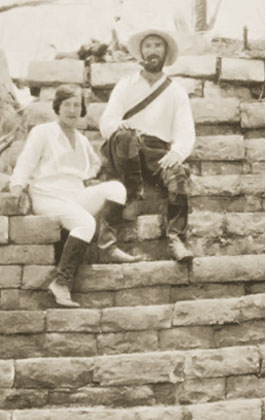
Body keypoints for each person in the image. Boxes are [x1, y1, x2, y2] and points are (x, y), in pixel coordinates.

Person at [10, 85, 140, 308]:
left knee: (117, 190)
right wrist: (17, 185)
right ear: (57, 107)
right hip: (47, 194)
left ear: (82, 109)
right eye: (67, 105)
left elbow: (95, 164)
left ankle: (107, 247)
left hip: (74, 194)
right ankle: (61, 282)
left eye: (76, 105)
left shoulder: (81, 139)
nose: (72, 110)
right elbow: (27, 161)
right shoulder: (43, 132)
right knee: (86, 223)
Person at [100, 29, 195, 263]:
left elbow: (185, 133)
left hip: (157, 152)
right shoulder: (126, 85)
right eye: (148, 46)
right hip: (126, 149)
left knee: (179, 175)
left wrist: (177, 152)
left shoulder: (176, 92)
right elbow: (106, 122)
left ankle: (175, 238)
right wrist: (118, 126)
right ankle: (132, 196)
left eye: (158, 46)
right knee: (126, 138)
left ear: (165, 52)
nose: (153, 51)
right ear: (141, 52)